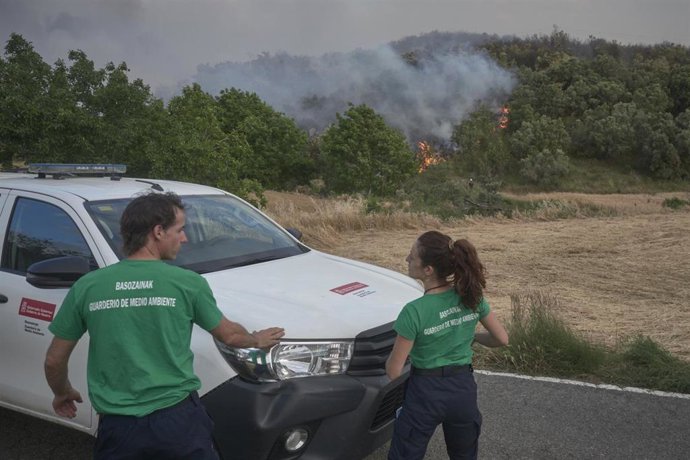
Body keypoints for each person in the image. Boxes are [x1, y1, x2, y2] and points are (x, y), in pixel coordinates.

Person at [44, 191, 285, 460]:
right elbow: (230, 336)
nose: (184, 238)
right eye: (180, 230)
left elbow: (54, 360)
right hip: (179, 422)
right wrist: (256, 339)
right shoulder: (187, 283)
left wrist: (62, 392)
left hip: (118, 427)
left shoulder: (87, 286)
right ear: (158, 231)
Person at [386, 230, 508, 460]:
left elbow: (393, 371)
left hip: (424, 392)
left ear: (428, 270)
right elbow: (502, 339)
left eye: (411, 256)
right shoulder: (472, 297)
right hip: (463, 389)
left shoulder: (414, 311)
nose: (406, 259)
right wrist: (473, 337)